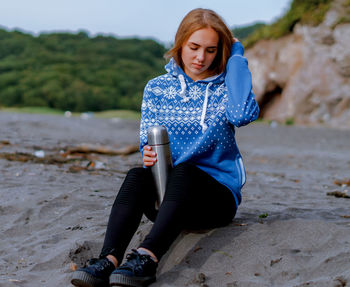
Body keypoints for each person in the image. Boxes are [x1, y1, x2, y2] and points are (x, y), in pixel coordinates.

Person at [71, 8, 259, 287]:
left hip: (215, 201)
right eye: (194, 47)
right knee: (136, 175)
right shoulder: (157, 88)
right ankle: (108, 259)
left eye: (211, 50)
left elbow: (242, 114)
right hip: (169, 197)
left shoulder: (226, 87)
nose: (200, 57)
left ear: (221, 51)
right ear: (180, 44)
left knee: (186, 171)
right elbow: (147, 140)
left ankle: (147, 257)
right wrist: (148, 153)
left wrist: (237, 57)